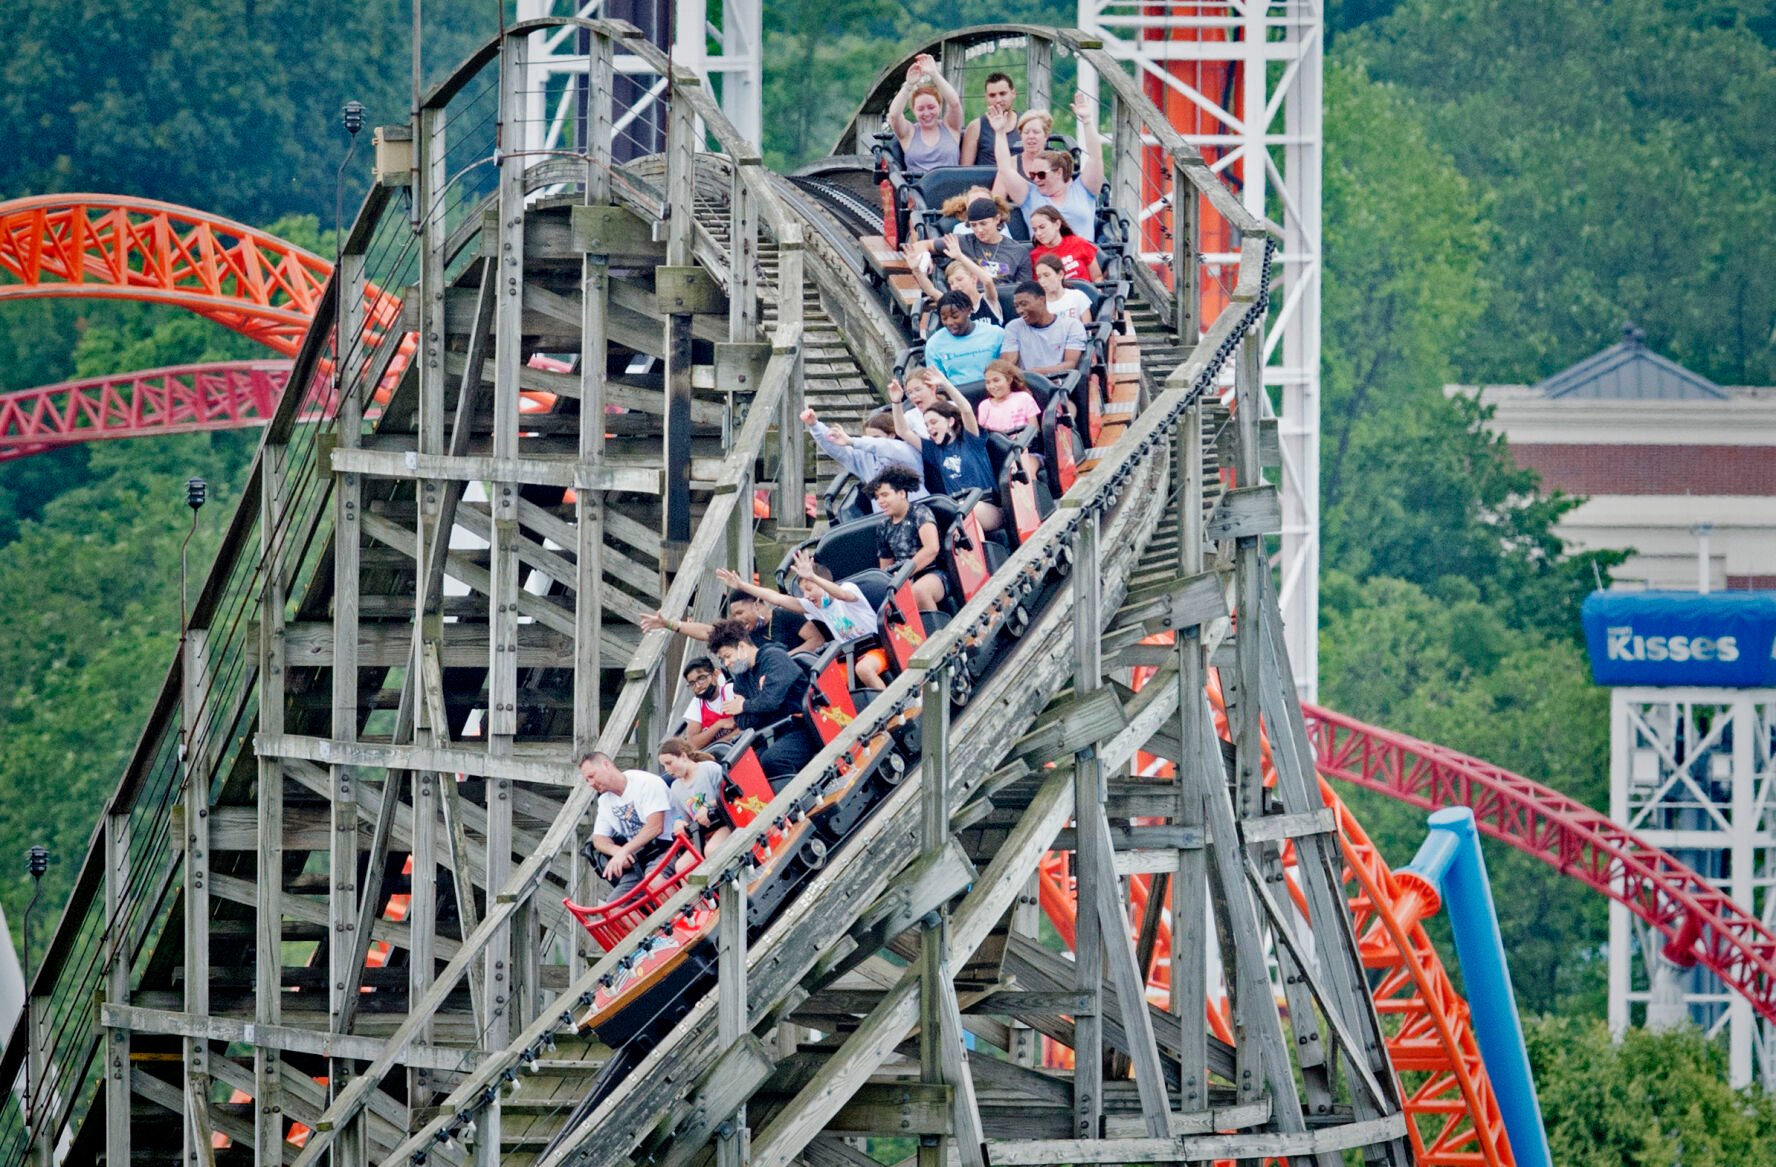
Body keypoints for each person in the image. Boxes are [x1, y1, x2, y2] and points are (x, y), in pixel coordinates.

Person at [717, 549, 888, 690]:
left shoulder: (847, 589)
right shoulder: (818, 608)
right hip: (852, 655)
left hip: (880, 647)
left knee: (863, 669)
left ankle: (891, 711)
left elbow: (841, 594)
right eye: (803, 591)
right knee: (823, 684)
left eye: (810, 589)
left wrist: (812, 576)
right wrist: (742, 585)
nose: (807, 595)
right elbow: (776, 598)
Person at [707, 616, 821, 787]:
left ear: (741, 647)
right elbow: (743, 721)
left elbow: (771, 701)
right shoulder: (742, 677)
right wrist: (756, 704)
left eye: (727, 656)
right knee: (745, 768)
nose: (727, 663)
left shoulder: (774, 658)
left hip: (802, 724)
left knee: (773, 759)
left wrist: (745, 704)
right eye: (723, 660)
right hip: (772, 732)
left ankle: (801, 796)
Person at [989, 93, 1105, 240]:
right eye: (1032, 175)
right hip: (1048, 259)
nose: (1036, 180)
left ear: (1058, 172)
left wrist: (1087, 121)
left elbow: (1096, 157)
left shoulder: (1083, 190)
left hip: (1081, 258)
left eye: (1041, 175)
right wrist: (999, 132)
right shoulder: (1031, 196)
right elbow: (1005, 169)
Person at [890, 381, 1003, 532]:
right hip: (958, 509)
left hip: (988, 506)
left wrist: (945, 383)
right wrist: (896, 401)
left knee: (968, 510)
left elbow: (967, 410)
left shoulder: (971, 440)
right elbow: (903, 431)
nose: (930, 428)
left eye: (933, 422)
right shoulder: (935, 451)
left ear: (950, 421)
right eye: (926, 425)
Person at [579, 752, 673, 900]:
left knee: (654, 880)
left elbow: (655, 827)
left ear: (606, 765)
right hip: (639, 858)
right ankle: (658, 923)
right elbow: (598, 838)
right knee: (613, 908)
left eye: (592, 776)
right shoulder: (605, 800)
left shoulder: (645, 783)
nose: (591, 783)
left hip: (667, 847)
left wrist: (624, 851)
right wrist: (615, 850)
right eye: (587, 780)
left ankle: (686, 919)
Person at [802, 405, 928, 504]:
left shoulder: (906, 451)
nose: (871, 441)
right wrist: (815, 425)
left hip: (917, 513)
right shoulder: (864, 458)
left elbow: (885, 446)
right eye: (868, 438)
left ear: (891, 435)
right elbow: (838, 450)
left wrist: (852, 441)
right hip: (883, 519)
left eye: (876, 437)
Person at [867, 466, 947, 613]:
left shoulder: (920, 512)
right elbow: (885, 565)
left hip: (934, 573)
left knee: (919, 592)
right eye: (877, 497)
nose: (880, 501)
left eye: (885, 495)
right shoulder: (883, 526)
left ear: (902, 493)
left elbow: (932, 549)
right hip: (901, 581)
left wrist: (905, 573)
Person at [642, 587, 820, 652]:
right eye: (734, 615)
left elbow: (817, 640)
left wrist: (788, 657)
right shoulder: (741, 630)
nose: (737, 619)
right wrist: (669, 624)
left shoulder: (785, 616)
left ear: (756, 605)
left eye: (740, 613)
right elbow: (707, 631)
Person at [656, 737, 732, 861]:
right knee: (682, 866)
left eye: (669, 763)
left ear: (684, 756)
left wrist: (708, 806)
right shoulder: (675, 788)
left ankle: (730, 879)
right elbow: (683, 817)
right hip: (702, 833)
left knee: (711, 850)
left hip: (724, 824)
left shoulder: (709, 769)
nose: (667, 770)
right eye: (663, 766)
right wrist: (679, 823)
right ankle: (702, 881)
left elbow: (728, 794)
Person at [888, 53, 962, 174]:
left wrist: (934, 74)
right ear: (914, 110)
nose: (927, 113)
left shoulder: (950, 127)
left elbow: (954, 103)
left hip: (950, 187)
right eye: (921, 109)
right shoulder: (908, 132)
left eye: (931, 107)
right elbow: (894, 115)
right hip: (918, 189)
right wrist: (908, 85)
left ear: (939, 106)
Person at [1003, 280, 1087, 378]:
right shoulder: (1013, 327)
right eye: (1016, 306)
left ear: (1041, 300)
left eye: (1024, 304)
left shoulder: (1072, 325)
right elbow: (1008, 365)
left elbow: (1070, 364)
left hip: (1061, 383)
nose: (1019, 310)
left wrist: (1035, 373)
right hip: (1026, 384)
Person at [906, 241, 1000, 327]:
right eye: (951, 283)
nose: (955, 285)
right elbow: (931, 291)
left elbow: (987, 281)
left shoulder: (988, 299)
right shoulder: (951, 304)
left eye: (959, 279)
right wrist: (916, 270)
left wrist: (960, 257)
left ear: (974, 278)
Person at [923, 290, 1005, 385]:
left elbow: (1007, 371)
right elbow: (937, 383)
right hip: (956, 395)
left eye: (955, 316)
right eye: (944, 318)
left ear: (969, 310)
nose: (949, 322)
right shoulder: (934, 344)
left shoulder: (996, 334)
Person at [953, 197, 1032, 284]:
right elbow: (935, 245)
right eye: (974, 225)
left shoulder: (1018, 251)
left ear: (997, 219)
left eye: (983, 224)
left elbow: (1024, 289)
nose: (979, 230)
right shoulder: (963, 242)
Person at [959, 71, 1019, 168]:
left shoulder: (1025, 123)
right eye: (992, 95)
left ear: (1013, 93)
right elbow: (965, 171)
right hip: (986, 181)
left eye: (1003, 93)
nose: (998, 100)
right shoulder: (976, 127)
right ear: (986, 98)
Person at [1027, 205, 1102, 282]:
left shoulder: (1079, 243)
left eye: (1042, 227)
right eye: (1035, 230)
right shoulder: (1034, 256)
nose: (1038, 233)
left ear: (1057, 224)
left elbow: (1097, 277)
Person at [678, 656, 739, 750]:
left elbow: (747, 726)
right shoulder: (696, 704)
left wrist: (714, 745)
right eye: (692, 683)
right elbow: (692, 745)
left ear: (715, 674)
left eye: (701, 678)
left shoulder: (731, 690)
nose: (698, 686)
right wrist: (719, 724)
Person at [975, 359, 1042, 436]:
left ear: (1009, 379)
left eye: (996, 380)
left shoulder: (1024, 398)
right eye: (988, 382)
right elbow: (980, 435)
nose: (992, 386)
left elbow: (1034, 430)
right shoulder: (984, 405)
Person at [1035, 254, 1093, 327]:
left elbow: (1087, 328)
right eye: (1039, 277)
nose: (1042, 281)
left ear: (1060, 274)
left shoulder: (1078, 296)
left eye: (1047, 275)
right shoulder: (1038, 305)